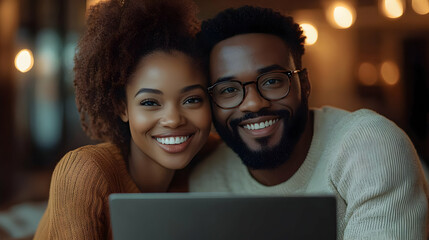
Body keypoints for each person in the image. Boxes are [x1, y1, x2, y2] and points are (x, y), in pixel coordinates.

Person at [189, 5, 429, 239]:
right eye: (228, 89)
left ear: (304, 84)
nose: (253, 103)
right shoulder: (206, 180)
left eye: (272, 81)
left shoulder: (369, 147)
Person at [34, 0, 213, 239]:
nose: (173, 120)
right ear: (122, 107)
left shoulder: (213, 159)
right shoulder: (84, 172)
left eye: (191, 100)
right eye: (150, 102)